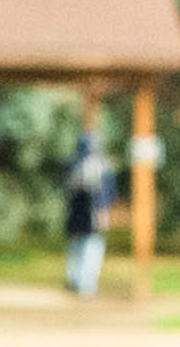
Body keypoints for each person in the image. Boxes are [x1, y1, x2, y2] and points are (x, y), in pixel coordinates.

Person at [60, 119, 119, 300]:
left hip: (75, 215)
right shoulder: (99, 165)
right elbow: (106, 192)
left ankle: (75, 279)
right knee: (91, 247)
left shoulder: (72, 163)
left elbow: (65, 190)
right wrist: (103, 211)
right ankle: (86, 284)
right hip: (91, 215)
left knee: (78, 247)